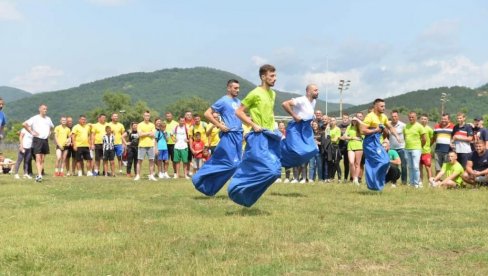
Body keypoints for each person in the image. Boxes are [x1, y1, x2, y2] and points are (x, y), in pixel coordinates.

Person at [230, 64, 281, 207]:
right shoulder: (254, 93)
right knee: (268, 170)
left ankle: (246, 195)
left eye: (275, 76)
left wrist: (275, 127)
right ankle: (237, 186)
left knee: (275, 172)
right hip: (259, 135)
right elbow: (239, 112)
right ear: (263, 77)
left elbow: (269, 113)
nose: (274, 79)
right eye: (272, 76)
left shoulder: (273, 93)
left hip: (271, 135)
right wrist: (253, 125)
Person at [358, 99, 400, 191]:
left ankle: (378, 181)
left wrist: (396, 135)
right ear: (376, 106)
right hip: (369, 143)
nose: (384, 108)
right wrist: (375, 130)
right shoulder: (370, 116)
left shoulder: (383, 117)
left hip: (377, 142)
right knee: (381, 161)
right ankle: (374, 182)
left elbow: (390, 127)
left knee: (385, 160)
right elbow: (362, 130)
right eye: (382, 106)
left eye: (384, 106)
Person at [281, 83, 319, 183]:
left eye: (317, 90)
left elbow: (308, 112)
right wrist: (294, 115)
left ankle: (301, 176)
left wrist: (312, 116)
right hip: (296, 127)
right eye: (315, 90)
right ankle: (282, 157)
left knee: (313, 150)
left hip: (306, 127)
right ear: (308, 91)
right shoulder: (301, 100)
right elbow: (285, 104)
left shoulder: (314, 101)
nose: (317, 92)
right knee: (296, 150)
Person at [23, 104, 54, 182]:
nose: (45, 110)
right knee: (38, 157)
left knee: (42, 159)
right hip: (37, 140)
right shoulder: (35, 118)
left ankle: (40, 173)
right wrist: (31, 132)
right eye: (44, 109)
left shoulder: (48, 119)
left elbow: (51, 127)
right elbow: (24, 124)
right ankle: (39, 175)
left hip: (45, 140)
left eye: (46, 109)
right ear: (39, 109)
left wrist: (49, 133)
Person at [403, 111, 426, 188]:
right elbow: (404, 137)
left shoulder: (419, 126)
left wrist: (420, 146)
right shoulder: (406, 126)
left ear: (416, 117)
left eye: (413, 117)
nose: (411, 118)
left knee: (416, 167)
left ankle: (416, 183)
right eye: (410, 117)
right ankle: (411, 183)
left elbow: (424, 139)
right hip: (407, 149)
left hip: (416, 149)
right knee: (410, 167)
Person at [135, 110, 157, 181]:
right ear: (143, 116)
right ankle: (138, 175)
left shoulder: (152, 125)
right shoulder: (140, 124)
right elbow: (140, 134)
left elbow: (153, 134)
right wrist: (148, 133)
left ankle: (151, 175)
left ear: (149, 116)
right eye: (146, 115)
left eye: (148, 116)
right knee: (139, 160)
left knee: (151, 160)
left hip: (150, 145)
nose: (147, 117)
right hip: (142, 145)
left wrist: (144, 133)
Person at [344, 112, 363, 185]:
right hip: (350, 146)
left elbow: (362, 136)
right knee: (351, 162)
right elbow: (345, 136)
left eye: (356, 120)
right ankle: (353, 177)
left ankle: (356, 179)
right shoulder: (349, 127)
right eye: (353, 120)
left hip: (359, 146)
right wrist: (353, 137)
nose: (354, 122)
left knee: (357, 164)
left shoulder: (360, 127)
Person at [389, 110, 407, 185]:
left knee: (403, 165)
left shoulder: (403, 125)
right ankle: (393, 181)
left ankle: (404, 182)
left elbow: (406, 136)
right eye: (392, 116)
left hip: (401, 148)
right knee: (393, 166)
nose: (394, 118)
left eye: (395, 116)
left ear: (398, 117)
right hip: (392, 149)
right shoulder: (388, 125)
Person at [419, 114, 434, 183]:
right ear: (420, 119)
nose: (423, 120)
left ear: (427, 120)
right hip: (418, 151)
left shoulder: (430, 129)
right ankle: (420, 182)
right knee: (419, 168)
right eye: (422, 119)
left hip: (426, 151)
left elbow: (433, 139)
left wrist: (428, 145)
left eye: (425, 119)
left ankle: (430, 182)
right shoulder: (418, 127)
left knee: (428, 167)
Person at [164, 112, 178, 178]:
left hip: (173, 144)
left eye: (169, 116)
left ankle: (175, 173)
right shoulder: (164, 123)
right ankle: (165, 173)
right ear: (166, 116)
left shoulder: (176, 123)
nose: (168, 117)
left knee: (174, 160)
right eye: (167, 116)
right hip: (165, 144)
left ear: (172, 116)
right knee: (166, 160)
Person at [327, 117, 342, 182]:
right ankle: (331, 177)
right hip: (329, 147)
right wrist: (327, 128)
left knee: (336, 162)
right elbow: (325, 137)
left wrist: (329, 139)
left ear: (336, 122)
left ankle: (339, 178)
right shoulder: (328, 129)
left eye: (333, 120)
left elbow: (336, 139)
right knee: (330, 162)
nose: (332, 122)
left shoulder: (337, 129)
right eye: (331, 121)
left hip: (335, 147)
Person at [338, 113, 350, 182]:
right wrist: (340, 137)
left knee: (346, 163)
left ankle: (345, 178)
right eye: (344, 118)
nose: (345, 119)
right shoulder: (339, 126)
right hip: (340, 146)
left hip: (348, 147)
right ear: (342, 119)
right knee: (337, 162)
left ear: (348, 119)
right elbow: (337, 135)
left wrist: (346, 137)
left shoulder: (350, 126)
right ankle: (339, 178)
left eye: (346, 118)